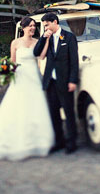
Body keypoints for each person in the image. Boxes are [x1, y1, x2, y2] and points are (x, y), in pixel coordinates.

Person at [0, 17, 54, 160]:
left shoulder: (37, 42)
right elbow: (13, 62)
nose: (32, 28)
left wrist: (47, 40)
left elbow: (42, 57)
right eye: (30, 26)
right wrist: (5, 71)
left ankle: (36, 141)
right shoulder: (16, 43)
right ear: (23, 28)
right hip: (20, 77)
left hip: (33, 78)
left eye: (33, 26)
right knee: (17, 107)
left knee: (35, 107)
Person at [34, 10, 79, 154]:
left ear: (55, 22)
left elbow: (74, 61)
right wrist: (43, 38)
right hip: (50, 81)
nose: (46, 28)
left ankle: (72, 142)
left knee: (68, 111)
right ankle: (59, 141)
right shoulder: (46, 37)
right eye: (44, 26)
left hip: (65, 80)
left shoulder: (69, 37)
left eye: (47, 25)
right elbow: (36, 53)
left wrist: (73, 80)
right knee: (54, 113)